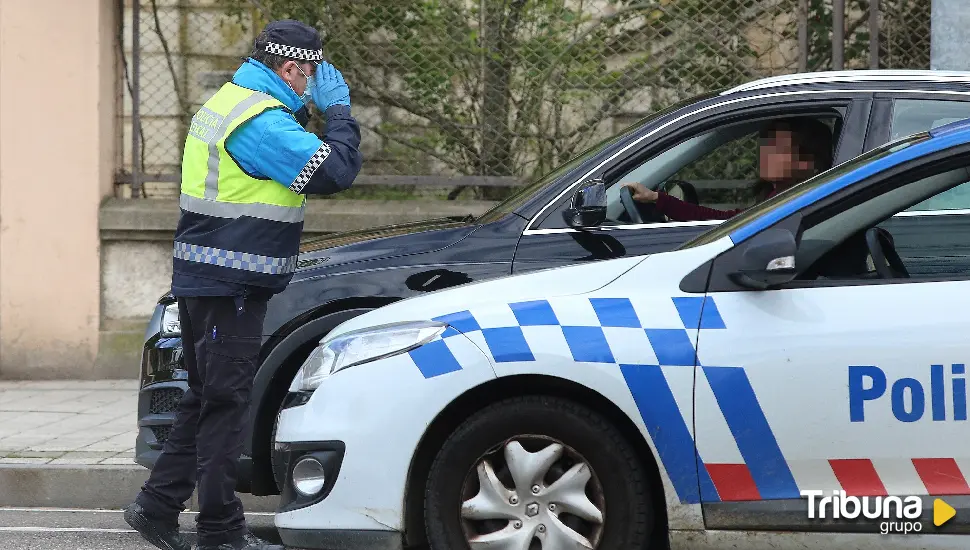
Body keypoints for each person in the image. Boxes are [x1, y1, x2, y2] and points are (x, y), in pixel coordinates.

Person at [123, 19, 363, 550]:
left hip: (209, 277)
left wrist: (312, 108)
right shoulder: (263, 123)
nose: (311, 86)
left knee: (207, 396)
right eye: (310, 75)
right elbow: (335, 171)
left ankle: (157, 507)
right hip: (227, 283)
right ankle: (220, 532)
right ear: (292, 67)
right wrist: (340, 112)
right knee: (226, 403)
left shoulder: (234, 101)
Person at [623, 117, 833, 221]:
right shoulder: (779, 196)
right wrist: (657, 199)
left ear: (807, 161)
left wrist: (660, 200)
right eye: (765, 146)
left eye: (777, 149)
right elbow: (728, 222)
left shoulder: (797, 204)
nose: (765, 154)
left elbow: (727, 223)